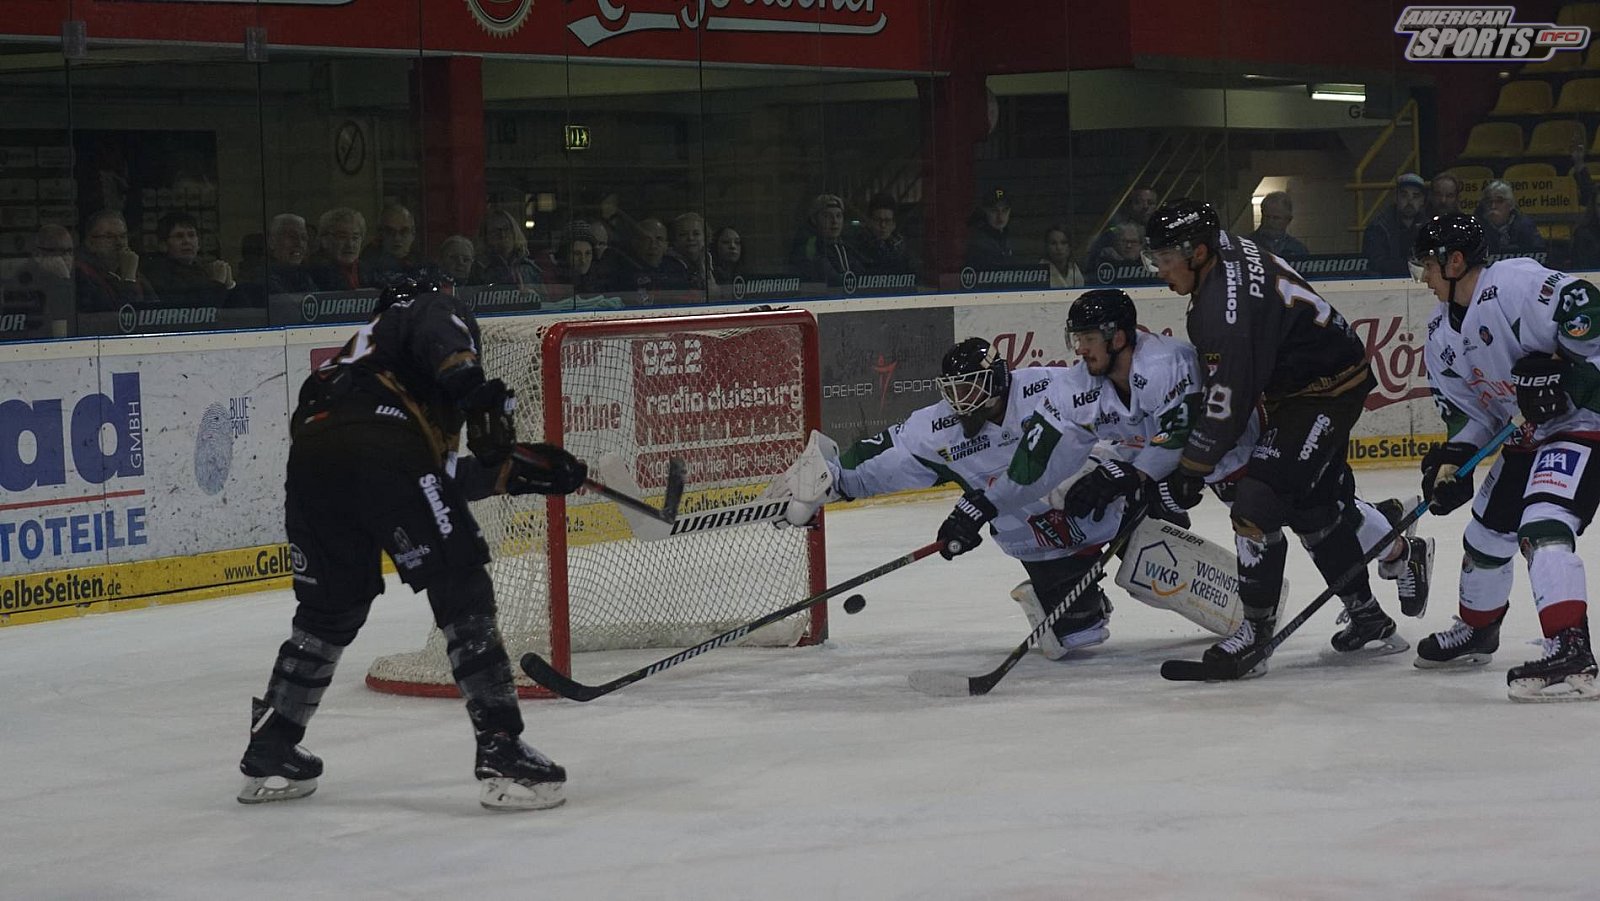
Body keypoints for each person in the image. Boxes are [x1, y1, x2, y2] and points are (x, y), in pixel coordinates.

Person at [237, 279, 589, 809]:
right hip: (381, 449)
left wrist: (519, 473)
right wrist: (478, 399)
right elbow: (431, 368)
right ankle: (500, 744)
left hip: (314, 462)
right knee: (461, 582)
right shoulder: (426, 307)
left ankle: (273, 743)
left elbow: (432, 478)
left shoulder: (355, 367)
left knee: (328, 611)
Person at [1142, 198, 1400, 677]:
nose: (1159, 269)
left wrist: (1189, 473)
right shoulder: (1226, 246)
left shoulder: (1224, 314)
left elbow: (1227, 411)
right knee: (1313, 509)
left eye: (1164, 258)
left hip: (1324, 393)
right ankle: (1368, 616)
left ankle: (1255, 634)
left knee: (1255, 508)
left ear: (1197, 252)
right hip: (1307, 382)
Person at [1408, 213, 1600, 701]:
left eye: (1427, 267)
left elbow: (1590, 319)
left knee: (1543, 522)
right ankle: (1479, 630)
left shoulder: (1515, 285)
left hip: (1583, 424)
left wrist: (1568, 380)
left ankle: (1572, 651)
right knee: (1485, 537)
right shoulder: (1439, 336)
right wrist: (1454, 460)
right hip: (1523, 438)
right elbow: (1474, 415)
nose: (1424, 278)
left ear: (1455, 262)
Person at [140, 211, 235, 306]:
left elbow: (240, 312)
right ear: (163, 245)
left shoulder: (203, 271)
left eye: (191, 235)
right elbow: (193, 310)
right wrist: (217, 283)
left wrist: (229, 285)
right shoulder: (158, 273)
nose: (187, 241)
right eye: (179, 236)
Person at [75, 209, 157, 312]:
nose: (119, 243)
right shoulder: (82, 274)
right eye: (109, 237)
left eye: (123, 236)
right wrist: (128, 280)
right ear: (90, 242)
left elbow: (155, 311)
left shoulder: (133, 271)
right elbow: (120, 318)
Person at [1362, 173, 1428, 277]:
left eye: (1415, 196)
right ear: (1396, 197)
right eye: (1404, 195)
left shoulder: (1428, 227)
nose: (1409, 201)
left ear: (1422, 200)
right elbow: (1377, 264)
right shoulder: (1378, 227)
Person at [613, 217, 692, 302]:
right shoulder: (622, 272)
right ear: (635, 243)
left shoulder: (677, 269)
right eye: (647, 239)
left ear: (666, 245)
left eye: (659, 239)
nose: (653, 245)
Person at [790, 194, 856, 286]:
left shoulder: (847, 245)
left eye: (838, 216)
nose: (834, 221)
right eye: (827, 216)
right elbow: (831, 278)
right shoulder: (808, 245)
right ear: (814, 219)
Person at [1085, 186, 1160, 266]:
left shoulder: (1166, 234)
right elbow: (1089, 263)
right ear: (1129, 206)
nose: (1145, 207)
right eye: (1138, 202)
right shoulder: (1111, 235)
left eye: (1150, 203)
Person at [475, 210, 543, 291]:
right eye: (495, 231)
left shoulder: (529, 269)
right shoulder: (479, 269)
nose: (502, 235)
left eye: (506, 229)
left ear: (514, 232)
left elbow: (544, 301)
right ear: (485, 237)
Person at [852, 193, 918, 276]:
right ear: (869, 222)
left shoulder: (902, 250)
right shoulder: (857, 249)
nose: (883, 225)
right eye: (878, 220)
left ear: (894, 224)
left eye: (887, 221)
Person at [1477, 180, 1545, 258]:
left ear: (1511, 204)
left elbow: (1539, 253)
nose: (1493, 206)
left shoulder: (1525, 225)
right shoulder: (1478, 227)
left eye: (1499, 201)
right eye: (1489, 201)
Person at [308, 207, 368, 291]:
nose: (350, 245)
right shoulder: (313, 273)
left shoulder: (371, 271)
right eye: (342, 237)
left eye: (355, 238)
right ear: (324, 240)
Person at [361, 202, 421, 284]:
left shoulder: (423, 264)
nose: (397, 238)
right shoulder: (366, 266)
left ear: (413, 234)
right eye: (390, 232)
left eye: (403, 231)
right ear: (380, 234)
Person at [265, 213, 318, 295]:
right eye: (292, 236)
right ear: (272, 242)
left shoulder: (305, 277)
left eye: (304, 237)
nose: (299, 244)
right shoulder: (264, 280)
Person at [1247, 191, 1310, 259]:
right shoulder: (1246, 245)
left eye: (1276, 218)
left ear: (1288, 220)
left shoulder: (1298, 249)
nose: (1270, 222)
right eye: (1267, 216)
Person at [963, 187, 1014, 270]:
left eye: (1005, 210)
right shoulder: (978, 242)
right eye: (994, 210)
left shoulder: (1007, 237)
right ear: (985, 211)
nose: (1000, 216)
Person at [671, 212, 715, 291]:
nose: (690, 238)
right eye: (683, 234)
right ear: (674, 240)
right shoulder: (668, 266)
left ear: (705, 237)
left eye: (696, 234)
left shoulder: (712, 261)